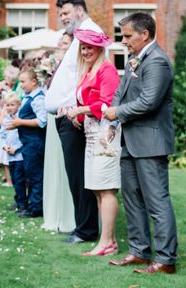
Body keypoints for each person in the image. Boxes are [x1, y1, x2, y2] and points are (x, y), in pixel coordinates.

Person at [104, 13, 178, 274]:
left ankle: (166, 259)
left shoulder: (157, 61)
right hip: (130, 140)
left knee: (157, 202)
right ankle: (139, 251)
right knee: (132, 199)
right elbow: (120, 92)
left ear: (144, 34)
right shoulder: (134, 59)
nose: (123, 41)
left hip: (151, 142)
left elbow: (149, 102)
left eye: (127, 36)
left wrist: (117, 113)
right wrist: (112, 120)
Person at [45, 0, 101, 244]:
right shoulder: (81, 34)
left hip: (74, 117)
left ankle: (86, 230)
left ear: (79, 10)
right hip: (67, 115)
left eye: (66, 12)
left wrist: (77, 109)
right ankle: (82, 226)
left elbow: (90, 76)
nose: (63, 18)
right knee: (75, 174)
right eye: (60, 14)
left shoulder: (90, 33)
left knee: (79, 175)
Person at [65, 29, 120, 256]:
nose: (86, 51)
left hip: (105, 136)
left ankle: (107, 242)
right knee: (98, 189)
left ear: (100, 48)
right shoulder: (88, 71)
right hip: (90, 134)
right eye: (83, 47)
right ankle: (108, 241)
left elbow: (106, 104)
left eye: (90, 47)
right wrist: (77, 116)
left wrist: (80, 109)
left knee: (106, 189)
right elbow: (88, 104)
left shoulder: (107, 70)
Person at [41, 30, 76, 234]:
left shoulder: (72, 66)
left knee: (66, 167)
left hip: (66, 117)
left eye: (65, 42)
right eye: (61, 41)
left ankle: (69, 216)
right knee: (54, 165)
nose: (61, 44)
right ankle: (54, 213)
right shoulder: (55, 65)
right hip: (53, 117)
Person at [6, 68, 47, 218]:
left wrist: (19, 122)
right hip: (27, 143)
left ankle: (36, 207)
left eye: (23, 82)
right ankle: (30, 203)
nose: (21, 85)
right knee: (29, 173)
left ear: (34, 82)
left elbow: (42, 121)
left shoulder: (38, 99)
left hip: (35, 143)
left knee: (35, 175)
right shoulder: (28, 96)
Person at [0, 92, 25, 211]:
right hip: (10, 156)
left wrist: (16, 147)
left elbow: (24, 136)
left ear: (19, 105)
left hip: (19, 155)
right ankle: (18, 200)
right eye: (7, 105)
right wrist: (5, 146)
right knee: (14, 179)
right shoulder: (6, 120)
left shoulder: (20, 119)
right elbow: (2, 135)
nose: (10, 107)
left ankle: (22, 204)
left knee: (20, 180)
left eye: (12, 105)